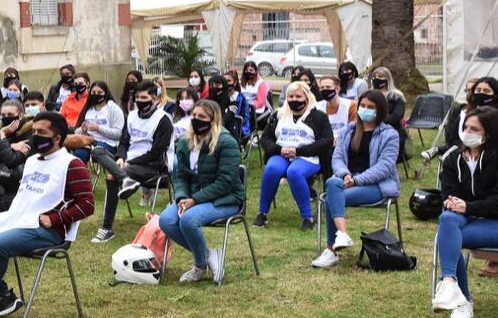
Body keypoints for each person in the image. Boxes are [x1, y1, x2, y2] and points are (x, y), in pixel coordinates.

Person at [0, 112, 95, 318]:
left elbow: (87, 205)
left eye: (42, 132)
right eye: (34, 131)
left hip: (48, 230)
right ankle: (2, 294)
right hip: (18, 220)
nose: (35, 136)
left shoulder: (72, 165)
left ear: (57, 138)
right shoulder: (31, 161)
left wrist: (55, 219)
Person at [158, 99, 245, 283]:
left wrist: (194, 200)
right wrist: (182, 197)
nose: (196, 120)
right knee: (166, 220)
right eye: (195, 116)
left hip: (226, 199)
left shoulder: (227, 142)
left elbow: (226, 182)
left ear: (213, 119)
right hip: (193, 197)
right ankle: (208, 255)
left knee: (189, 220)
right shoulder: (184, 142)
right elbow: (180, 176)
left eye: (202, 117)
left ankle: (199, 266)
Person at [311, 90, 401, 269]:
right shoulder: (348, 130)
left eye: (371, 107)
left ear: (380, 110)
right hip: (346, 181)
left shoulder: (390, 134)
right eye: (363, 106)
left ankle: (331, 250)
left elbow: (384, 167)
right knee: (332, 183)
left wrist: (357, 180)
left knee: (331, 197)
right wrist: (345, 175)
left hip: (377, 185)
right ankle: (342, 234)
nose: (365, 109)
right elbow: (336, 158)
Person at [430, 106, 498, 318]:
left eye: (474, 128)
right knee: (448, 220)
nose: (467, 132)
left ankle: (458, 295)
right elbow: (448, 195)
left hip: (492, 223)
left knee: (449, 233)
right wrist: (452, 202)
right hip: (465, 220)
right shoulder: (452, 159)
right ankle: (453, 287)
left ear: (488, 132)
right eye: (465, 127)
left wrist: (468, 207)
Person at [90, 81, 174, 243]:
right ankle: (125, 178)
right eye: (137, 97)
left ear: (155, 99)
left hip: (152, 166)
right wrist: (121, 158)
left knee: (111, 177)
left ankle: (106, 228)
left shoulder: (163, 120)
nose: (140, 101)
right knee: (96, 151)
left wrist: (129, 162)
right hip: (127, 162)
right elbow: (124, 142)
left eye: (144, 97)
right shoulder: (132, 116)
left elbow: (156, 153)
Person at [254, 81, 334, 230]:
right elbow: (265, 138)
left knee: (294, 172)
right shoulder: (278, 115)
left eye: (298, 96)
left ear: (306, 97)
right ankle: (262, 213)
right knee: (272, 168)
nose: (294, 100)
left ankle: (307, 217)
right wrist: (279, 149)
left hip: (307, 157)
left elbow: (327, 140)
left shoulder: (319, 116)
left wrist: (299, 151)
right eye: (290, 96)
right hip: (281, 154)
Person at [0, 99, 31, 217]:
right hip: (2, 177)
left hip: (22, 182)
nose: (6, 117)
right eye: (3, 115)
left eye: (10, 115)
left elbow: (11, 161)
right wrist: (8, 142)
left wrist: (4, 144)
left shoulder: (29, 132)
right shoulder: (3, 130)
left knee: (4, 199)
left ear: (20, 115)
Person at [424, 77, 494, 162]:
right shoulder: (462, 110)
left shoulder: (490, 113)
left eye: (486, 91)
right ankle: (444, 150)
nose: (470, 93)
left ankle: (443, 150)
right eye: (478, 90)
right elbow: (452, 133)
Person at [71, 82, 124, 163]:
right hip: (89, 142)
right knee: (78, 153)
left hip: (109, 144)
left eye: (99, 93)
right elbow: (77, 132)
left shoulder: (113, 109)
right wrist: (82, 130)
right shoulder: (89, 109)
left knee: (97, 150)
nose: (96, 95)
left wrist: (99, 128)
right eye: (93, 92)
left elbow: (118, 134)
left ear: (105, 93)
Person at [369, 66, 408, 159]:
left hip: (392, 129)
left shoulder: (396, 96)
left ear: (388, 79)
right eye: (374, 77)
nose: (376, 79)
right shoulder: (369, 95)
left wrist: (378, 122)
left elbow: (397, 115)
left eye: (380, 77)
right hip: (370, 128)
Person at [317, 74, 356, 145]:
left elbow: (354, 129)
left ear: (338, 89)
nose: (324, 90)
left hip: (345, 144)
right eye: (322, 88)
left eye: (328, 87)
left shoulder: (351, 106)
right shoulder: (317, 107)